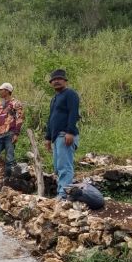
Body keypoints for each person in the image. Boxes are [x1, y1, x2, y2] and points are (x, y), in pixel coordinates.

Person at [44, 69, 80, 199]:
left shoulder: (70, 94)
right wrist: (48, 138)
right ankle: (61, 192)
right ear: (51, 83)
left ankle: (63, 195)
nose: (56, 81)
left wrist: (70, 132)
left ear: (65, 81)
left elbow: (73, 113)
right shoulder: (55, 98)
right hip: (56, 137)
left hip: (65, 135)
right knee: (58, 167)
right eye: (53, 80)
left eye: (59, 79)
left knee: (65, 166)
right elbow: (51, 118)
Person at [0, 82, 25, 184]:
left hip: (10, 134)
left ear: (7, 91)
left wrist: (16, 133)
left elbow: (20, 118)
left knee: (9, 160)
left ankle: (6, 184)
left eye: (1, 90)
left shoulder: (16, 104)